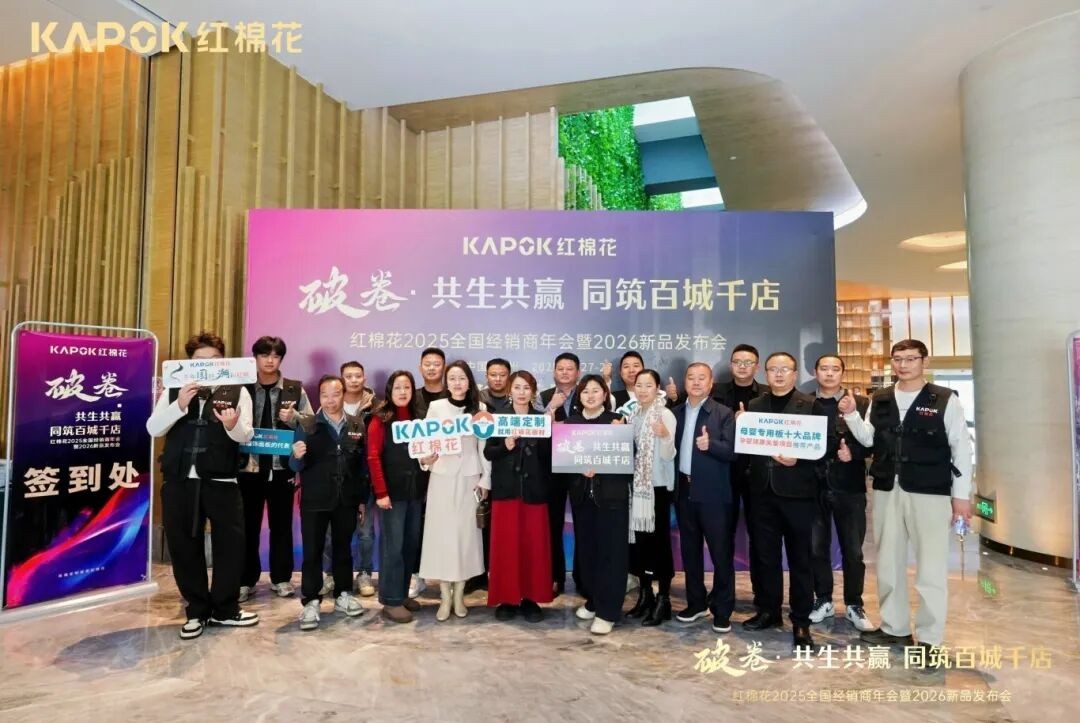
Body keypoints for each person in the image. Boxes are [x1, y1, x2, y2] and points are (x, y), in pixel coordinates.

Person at [841, 339, 973, 659]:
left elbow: (961, 450)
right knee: (888, 561)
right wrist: (851, 416)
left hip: (930, 491)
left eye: (911, 359)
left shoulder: (945, 399)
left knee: (931, 566)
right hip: (887, 488)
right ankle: (894, 628)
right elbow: (869, 439)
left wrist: (961, 497)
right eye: (898, 359)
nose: (903, 365)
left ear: (924, 362)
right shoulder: (881, 398)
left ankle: (930, 639)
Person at [146, 331, 258, 640]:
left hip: (222, 480)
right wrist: (179, 405)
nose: (207, 365)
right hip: (180, 481)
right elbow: (154, 428)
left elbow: (246, 434)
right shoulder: (174, 389)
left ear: (224, 361)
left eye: (214, 360)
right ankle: (196, 610)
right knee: (183, 546)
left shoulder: (237, 390)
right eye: (199, 360)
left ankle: (225, 609)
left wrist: (232, 424)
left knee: (230, 546)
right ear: (189, 363)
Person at [743, 352, 833, 651]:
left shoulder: (810, 405)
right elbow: (747, 447)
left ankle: (801, 621)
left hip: (798, 495)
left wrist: (800, 458)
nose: (779, 374)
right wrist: (741, 426)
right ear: (765, 373)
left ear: (795, 374)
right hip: (762, 493)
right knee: (765, 557)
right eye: (773, 369)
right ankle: (769, 611)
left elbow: (826, 446)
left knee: (800, 560)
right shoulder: (754, 406)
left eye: (785, 369)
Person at [290, 375, 368, 631]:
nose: (330, 400)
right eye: (325, 395)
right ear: (319, 397)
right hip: (315, 499)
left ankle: (343, 594)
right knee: (312, 551)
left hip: (346, 499)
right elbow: (294, 465)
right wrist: (296, 456)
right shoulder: (307, 424)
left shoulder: (357, 424)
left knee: (343, 548)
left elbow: (362, 467)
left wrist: (362, 500)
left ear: (344, 394)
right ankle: (311, 601)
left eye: (335, 394)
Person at [237, 335, 312, 603]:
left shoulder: (294, 389)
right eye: (264, 355)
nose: (270, 360)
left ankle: (281, 578)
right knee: (247, 526)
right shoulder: (242, 388)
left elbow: (311, 425)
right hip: (248, 468)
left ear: (281, 359)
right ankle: (245, 580)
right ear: (255, 358)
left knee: (281, 526)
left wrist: (294, 418)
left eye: (276, 356)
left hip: (282, 469)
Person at [418, 360, 492, 621]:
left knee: (465, 537)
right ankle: (444, 596)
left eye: (461, 378)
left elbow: (484, 446)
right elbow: (425, 442)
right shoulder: (436, 407)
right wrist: (425, 459)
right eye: (452, 378)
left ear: (469, 382)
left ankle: (459, 595)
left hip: (469, 478)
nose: (457, 383)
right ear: (446, 382)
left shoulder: (480, 409)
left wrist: (486, 480)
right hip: (441, 477)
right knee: (442, 537)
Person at [808, 354, 874, 632]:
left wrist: (854, 454)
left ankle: (854, 604)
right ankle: (823, 599)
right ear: (815, 372)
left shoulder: (862, 403)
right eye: (824, 368)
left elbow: (873, 443)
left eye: (835, 369)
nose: (829, 373)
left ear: (842, 373)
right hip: (813, 486)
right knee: (816, 548)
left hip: (849, 487)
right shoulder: (804, 403)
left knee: (853, 550)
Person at [671, 363, 738, 633]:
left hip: (714, 494)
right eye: (691, 378)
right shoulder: (675, 413)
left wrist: (712, 445)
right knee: (690, 551)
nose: (696, 382)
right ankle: (696, 603)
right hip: (684, 490)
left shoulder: (723, 413)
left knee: (721, 553)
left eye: (702, 378)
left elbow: (733, 451)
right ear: (685, 382)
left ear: (711, 384)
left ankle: (722, 609)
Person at [483, 370, 553, 623]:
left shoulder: (541, 419)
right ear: (509, 390)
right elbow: (489, 452)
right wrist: (505, 446)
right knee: (506, 546)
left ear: (533, 392)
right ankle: (507, 598)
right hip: (506, 492)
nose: (522, 392)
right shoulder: (499, 418)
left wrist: (552, 431)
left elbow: (550, 458)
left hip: (534, 492)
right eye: (517, 387)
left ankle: (531, 598)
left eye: (526, 388)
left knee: (534, 546)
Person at [567, 374, 631, 635]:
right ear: (579, 396)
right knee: (588, 553)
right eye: (585, 391)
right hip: (583, 499)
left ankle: (608, 611)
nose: (590, 395)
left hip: (612, 499)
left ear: (605, 395)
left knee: (612, 555)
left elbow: (630, 461)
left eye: (596, 390)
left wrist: (621, 437)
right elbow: (563, 461)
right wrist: (578, 468)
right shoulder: (572, 423)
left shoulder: (616, 421)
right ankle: (594, 601)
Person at [367, 371, 426, 624]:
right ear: (389, 391)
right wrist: (381, 493)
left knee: (409, 545)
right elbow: (373, 457)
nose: (403, 392)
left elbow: (423, 452)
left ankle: (401, 594)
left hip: (415, 492)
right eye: (398, 387)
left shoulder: (418, 418)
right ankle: (391, 601)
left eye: (407, 387)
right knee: (393, 547)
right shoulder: (380, 419)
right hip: (392, 494)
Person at [625, 370, 678, 626]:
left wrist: (664, 435)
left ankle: (663, 599)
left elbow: (669, 455)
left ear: (657, 388)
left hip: (656, 488)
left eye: (648, 385)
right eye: (639, 385)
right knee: (640, 544)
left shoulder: (664, 414)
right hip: (637, 489)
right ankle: (645, 595)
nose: (643, 390)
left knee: (659, 544)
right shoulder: (633, 415)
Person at [540, 352, 584, 596]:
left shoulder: (588, 393)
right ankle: (554, 577)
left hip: (581, 469)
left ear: (578, 372)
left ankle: (583, 578)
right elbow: (537, 430)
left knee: (584, 524)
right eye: (561, 368)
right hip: (552, 470)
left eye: (570, 368)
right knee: (553, 525)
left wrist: (565, 426)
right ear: (554, 372)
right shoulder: (544, 397)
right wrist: (551, 408)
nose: (565, 372)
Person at [410, 347, 448, 599]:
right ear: (420, 367)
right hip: (418, 470)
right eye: (427, 363)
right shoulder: (412, 397)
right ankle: (417, 575)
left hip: (449, 471)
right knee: (417, 524)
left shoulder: (453, 394)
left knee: (446, 524)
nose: (432, 368)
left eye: (437, 364)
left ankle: (449, 577)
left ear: (444, 367)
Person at [341, 360, 378, 598]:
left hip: (365, 476)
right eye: (349, 376)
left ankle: (364, 573)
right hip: (338, 476)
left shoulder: (375, 407)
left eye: (358, 376)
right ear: (342, 379)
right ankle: (332, 574)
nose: (354, 380)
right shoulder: (332, 401)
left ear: (364, 378)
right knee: (334, 531)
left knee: (365, 531)